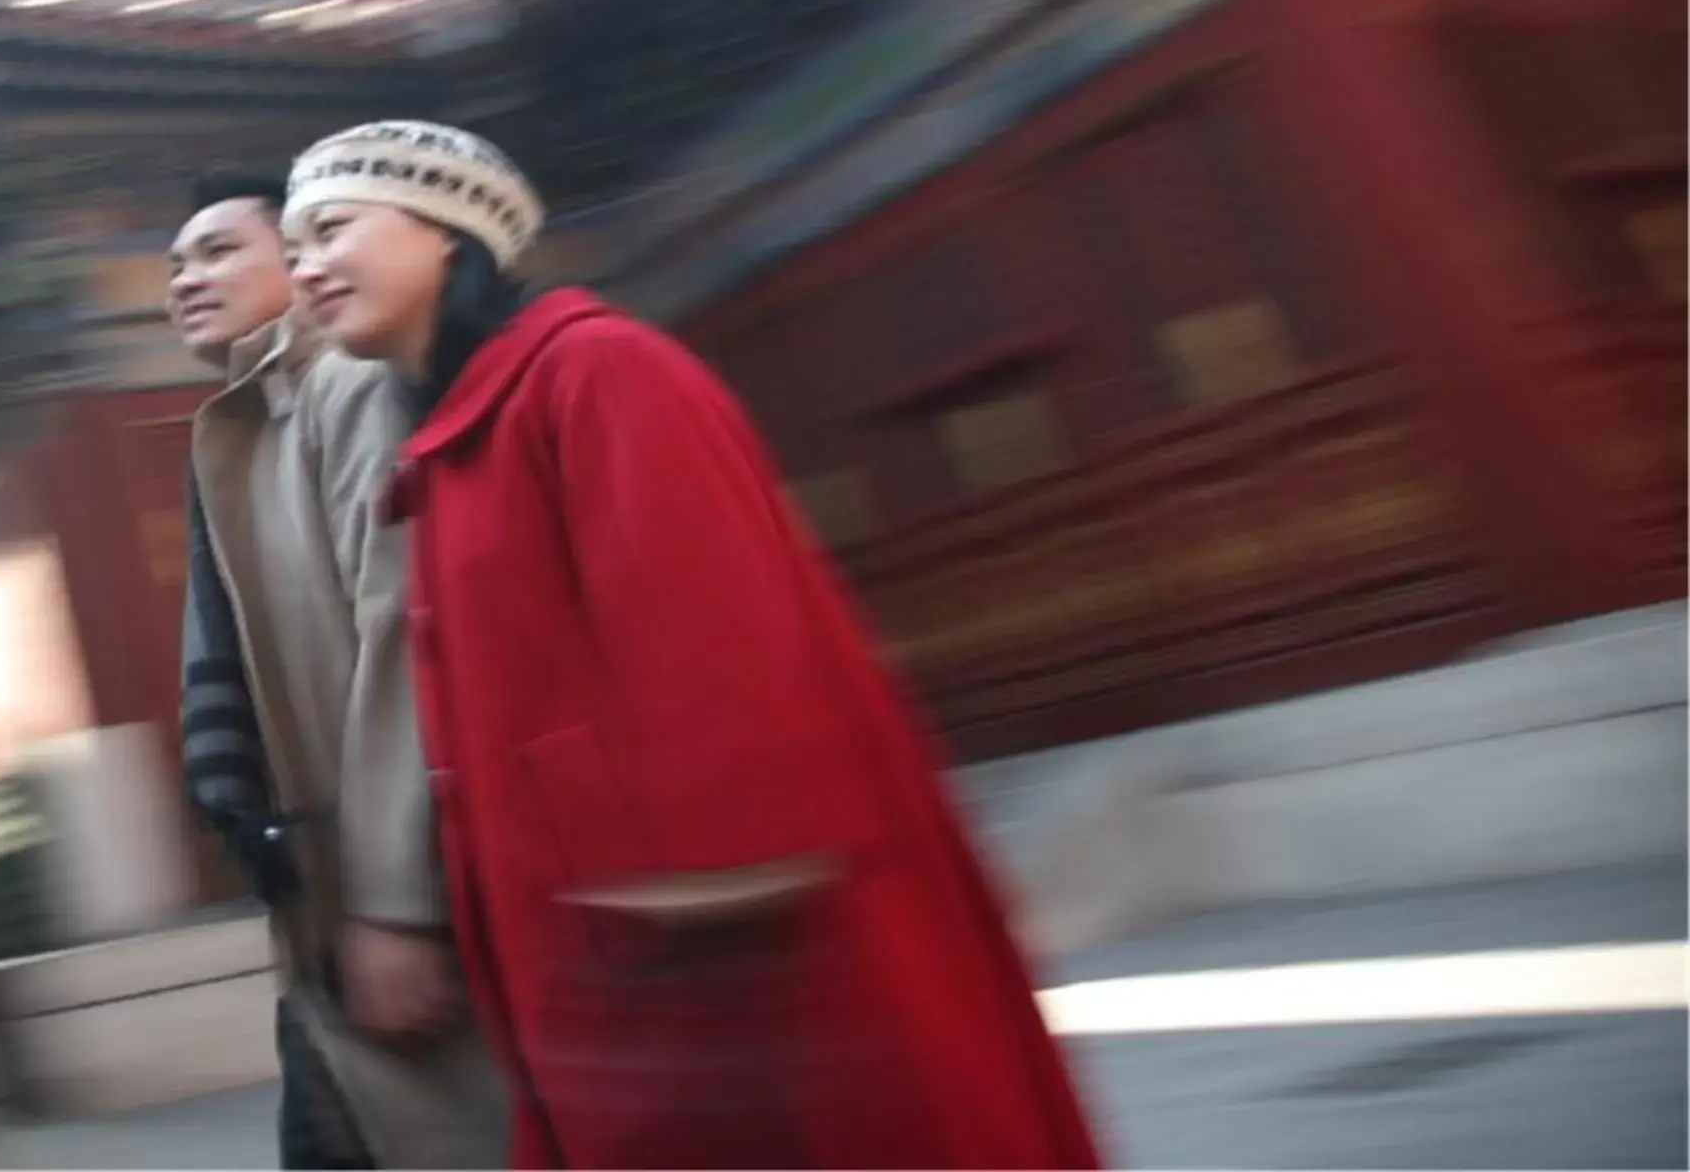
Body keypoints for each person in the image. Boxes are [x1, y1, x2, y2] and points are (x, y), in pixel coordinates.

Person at [281, 121, 1105, 1171]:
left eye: (331, 228)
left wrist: (715, 869)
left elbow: (716, 626)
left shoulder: (601, 371)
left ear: (447, 228)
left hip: (707, 938)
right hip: (595, 945)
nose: (304, 266)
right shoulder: (456, 441)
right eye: (295, 244)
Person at [167, 171, 510, 1170]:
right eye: (177, 263)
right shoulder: (247, 423)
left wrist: (398, 903)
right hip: (328, 898)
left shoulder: (348, 389)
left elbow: (405, 635)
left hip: (405, 900)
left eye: (221, 249)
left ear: (310, 255)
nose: (188, 278)